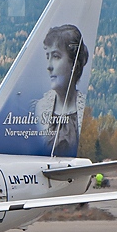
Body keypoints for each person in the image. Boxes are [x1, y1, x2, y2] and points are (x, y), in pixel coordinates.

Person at [35, 24, 88, 157]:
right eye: (48, 57)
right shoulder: (40, 108)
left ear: (73, 63)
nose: (49, 66)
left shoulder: (86, 110)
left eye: (56, 57)